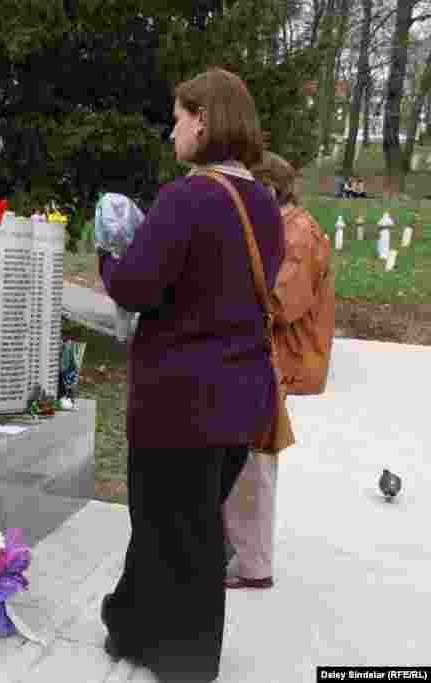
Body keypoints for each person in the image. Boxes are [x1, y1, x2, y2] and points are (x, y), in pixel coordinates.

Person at [97, 67, 285, 683]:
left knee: (177, 529)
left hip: (180, 401)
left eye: (177, 116)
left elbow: (137, 286)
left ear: (202, 119)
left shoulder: (189, 196)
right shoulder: (263, 202)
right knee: (185, 522)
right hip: (239, 398)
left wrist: (108, 249)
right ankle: (133, 626)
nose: (171, 128)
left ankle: (185, 658)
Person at [224, 151, 335, 590]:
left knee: (256, 461)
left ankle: (254, 566)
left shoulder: (298, 234)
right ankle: (242, 554)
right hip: (267, 358)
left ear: (269, 191)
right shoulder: (288, 228)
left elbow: (279, 302)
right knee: (248, 458)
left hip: (275, 362)